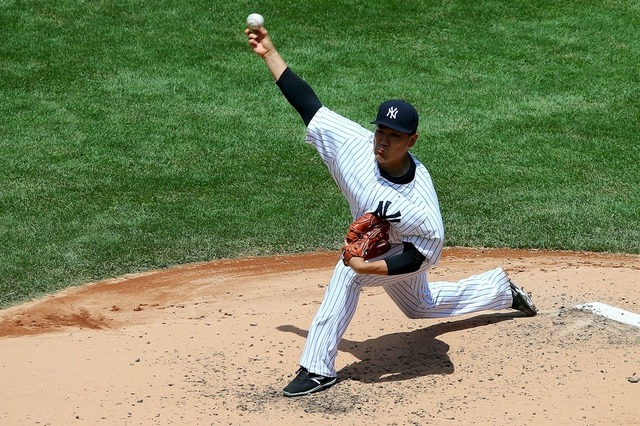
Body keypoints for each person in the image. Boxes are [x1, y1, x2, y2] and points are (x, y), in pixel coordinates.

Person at [245, 25, 537, 398]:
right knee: (419, 306)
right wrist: (270, 52)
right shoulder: (354, 146)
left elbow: (419, 256)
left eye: (394, 136)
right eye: (380, 130)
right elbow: (308, 105)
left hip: (407, 252)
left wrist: (370, 268)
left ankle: (317, 368)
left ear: (412, 140)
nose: (383, 140)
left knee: (347, 275)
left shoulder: (420, 204)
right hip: (382, 244)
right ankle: (499, 290)